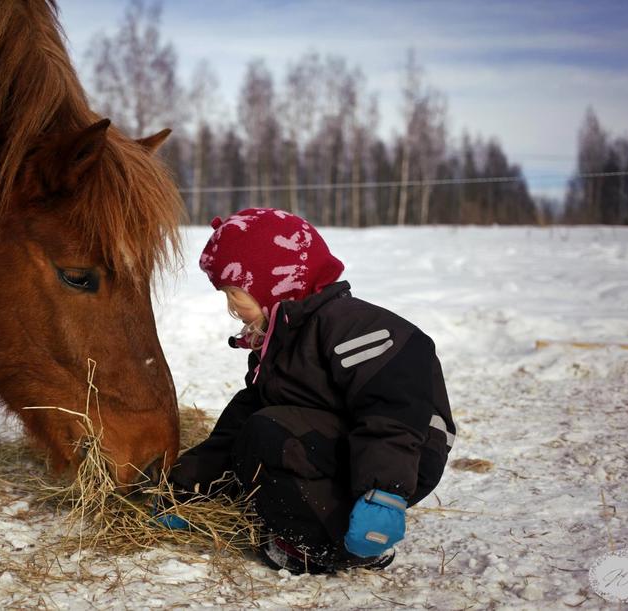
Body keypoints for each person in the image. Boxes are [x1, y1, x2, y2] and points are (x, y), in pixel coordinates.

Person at [164, 207, 456, 574]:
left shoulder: (348, 326)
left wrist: (384, 491)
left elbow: (394, 404)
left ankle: (333, 547)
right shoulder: (282, 340)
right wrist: (187, 489)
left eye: (234, 292)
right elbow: (239, 424)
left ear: (275, 283)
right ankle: (308, 517)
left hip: (409, 450)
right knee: (257, 424)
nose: (231, 308)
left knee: (269, 431)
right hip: (348, 447)